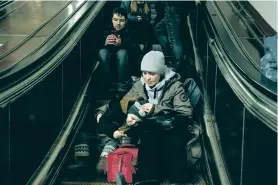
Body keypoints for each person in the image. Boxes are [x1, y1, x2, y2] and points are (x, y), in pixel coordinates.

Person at [95, 51, 193, 185]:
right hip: (147, 129)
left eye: (152, 74)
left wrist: (155, 109)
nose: (147, 78)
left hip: (169, 129)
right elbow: (124, 103)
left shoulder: (175, 86)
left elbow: (185, 113)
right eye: (144, 73)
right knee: (146, 136)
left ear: (161, 72)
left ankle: (174, 180)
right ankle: (147, 180)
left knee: (170, 140)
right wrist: (130, 116)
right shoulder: (139, 85)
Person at [98, 7, 131, 95]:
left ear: (126, 21)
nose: (118, 23)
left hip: (124, 66)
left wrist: (122, 42)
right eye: (115, 20)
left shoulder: (130, 29)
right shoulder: (104, 28)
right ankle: (109, 85)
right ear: (112, 19)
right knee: (102, 52)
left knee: (122, 53)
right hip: (109, 64)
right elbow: (93, 46)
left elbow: (135, 49)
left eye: (122, 20)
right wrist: (105, 42)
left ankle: (122, 86)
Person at [155, 1, 195, 71]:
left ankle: (178, 64)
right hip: (181, 7)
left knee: (174, 39)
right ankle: (170, 56)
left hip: (172, 6)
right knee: (159, 28)